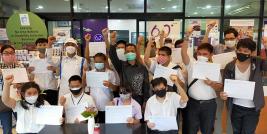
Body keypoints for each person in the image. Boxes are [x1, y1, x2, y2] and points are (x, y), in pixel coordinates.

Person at [181, 27, 223, 134]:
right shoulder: (192, 64)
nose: (201, 56)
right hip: (192, 103)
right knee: (190, 129)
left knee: (207, 129)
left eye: (205, 54)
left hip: (209, 105)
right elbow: (183, 54)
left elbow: (219, 87)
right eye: (199, 54)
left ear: (211, 55)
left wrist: (211, 84)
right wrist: (187, 37)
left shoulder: (214, 68)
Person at [220, 38, 267, 134]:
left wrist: (266, 47)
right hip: (236, 107)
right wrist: (223, 94)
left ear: (252, 52)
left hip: (252, 108)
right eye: (240, 50)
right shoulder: (230, 66)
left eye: (246, 51)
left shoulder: (258, 62)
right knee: (236, 131)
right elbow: (225, 86)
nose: (241, 53)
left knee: (248, 132)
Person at [109, 31, 150, 107]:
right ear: (125, 53)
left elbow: (146, 85)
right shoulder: (121, 65)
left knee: (137, 118)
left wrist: (145, 100)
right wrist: (112, 42)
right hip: (124, 99)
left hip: (139, 100)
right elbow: (113, 57)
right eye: (127, 51)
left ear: (136, 52)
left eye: (132, 51)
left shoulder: (142, 68)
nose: (130, 52)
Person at [0, 45, 24, 134]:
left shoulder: (19, 66)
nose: (9, 55)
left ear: (14, 54)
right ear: (1, 55)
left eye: (11, 53)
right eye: (6, 53)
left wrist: (20, 86)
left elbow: (25, 82)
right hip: (3, 101)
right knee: (6, 129)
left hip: (17, 100)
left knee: (22, 125)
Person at [88, 52, 118, 123]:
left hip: (106, 105)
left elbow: (116, 89)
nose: (98, 63)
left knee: (105, 126)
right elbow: (88, 89)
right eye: (96, 62)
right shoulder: (90, 73)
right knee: (93, 125)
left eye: (100, 62)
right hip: (93, 105)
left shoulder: (111, 73)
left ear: (105, 61)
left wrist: (110, 85)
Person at [28, 37, 59, 105]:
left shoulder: (54, 59)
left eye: (44, 45)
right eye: (40, 45)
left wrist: (55, 70)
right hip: (39, 89)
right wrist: (29, 72)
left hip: (52, 88)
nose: (42, 47)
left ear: (47, 46)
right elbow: (30, 78)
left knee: (52, 109)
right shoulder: (33, 60)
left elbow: (58, 75)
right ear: (36, 47)